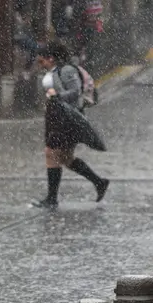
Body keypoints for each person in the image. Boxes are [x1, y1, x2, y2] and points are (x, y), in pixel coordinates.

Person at [31, 42, 109, 208]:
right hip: (57, 115)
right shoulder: (55, 71)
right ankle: (99, 182)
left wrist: (57, 95)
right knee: (65, 158)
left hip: (66, 118)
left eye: (41, 61)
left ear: (50, 58)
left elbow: (76, 91)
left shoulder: (66, 70)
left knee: (51, 153)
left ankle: (52, 199)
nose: (40, 65)